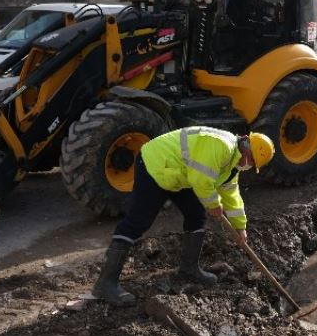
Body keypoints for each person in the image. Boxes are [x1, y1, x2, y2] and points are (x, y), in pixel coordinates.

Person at [91, 127, 275, 306]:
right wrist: (213, 205)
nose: (249, 167)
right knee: (138, 222)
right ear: (248, 153)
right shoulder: (221, 146)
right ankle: (105, 284)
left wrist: (240, 227)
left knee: (196, 216)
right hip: (156, 165)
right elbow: (201, 180)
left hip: (178, 173)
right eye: (252, 163)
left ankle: (189, 269)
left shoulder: (232, 166)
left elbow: (231, 195)